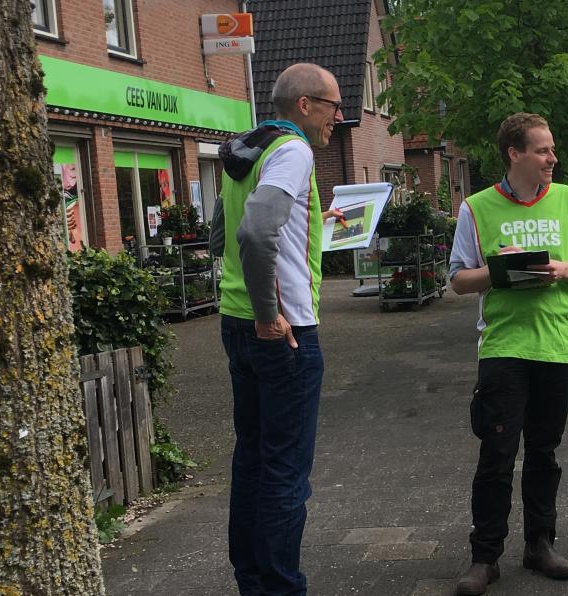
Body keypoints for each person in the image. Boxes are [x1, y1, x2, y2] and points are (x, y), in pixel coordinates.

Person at [448, 113, 568, 596]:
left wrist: (562, 270)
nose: (553, 159)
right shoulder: (476, 207)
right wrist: (501, 269)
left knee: (544, 451)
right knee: (496, 453)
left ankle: (540, 544)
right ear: (515, 154)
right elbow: (457, 280)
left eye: (552, 151)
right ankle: (484, 557)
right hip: (504, 347)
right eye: (543, 150)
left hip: (556, 344)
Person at [209, 62, 342, 595]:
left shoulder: (246, 150)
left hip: (236, 324)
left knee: (252, 461)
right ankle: (282, 589)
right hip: (281, 334)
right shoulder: (293, 150)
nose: (339, 116)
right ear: (304, 105)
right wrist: (270, 312)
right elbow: (258, 234)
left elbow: (223, 233)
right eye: (334, 105)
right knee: (286, 473)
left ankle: (253, 582)